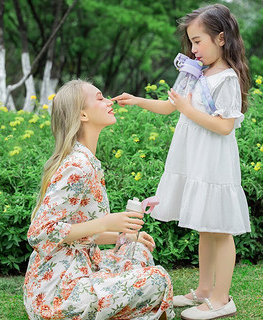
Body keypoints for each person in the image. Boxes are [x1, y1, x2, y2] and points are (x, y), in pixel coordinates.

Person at [112, 4, 251, 320]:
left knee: (220, 229)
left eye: (198, 41)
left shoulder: (227, 78)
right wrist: (136, 100)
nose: (193, 48)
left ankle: (221, 298)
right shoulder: (195, 71)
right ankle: (203, 291)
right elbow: (169, 106)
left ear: (221, 38)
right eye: (190, 42)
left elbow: (225, 125)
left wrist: (189, 111)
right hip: (196, 159)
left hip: (214, 162)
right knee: (205, 227)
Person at [23, 79, 174, 320]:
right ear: (83, 114)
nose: (108, 101)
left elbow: (74, 230)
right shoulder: (77, 166)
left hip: (78, 268)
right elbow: (39, 233)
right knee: (157, 279)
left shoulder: (86, 160)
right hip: (58, 292)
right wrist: (107, 223)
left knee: (138, 250)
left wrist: (120, 236)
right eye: (100, 97)